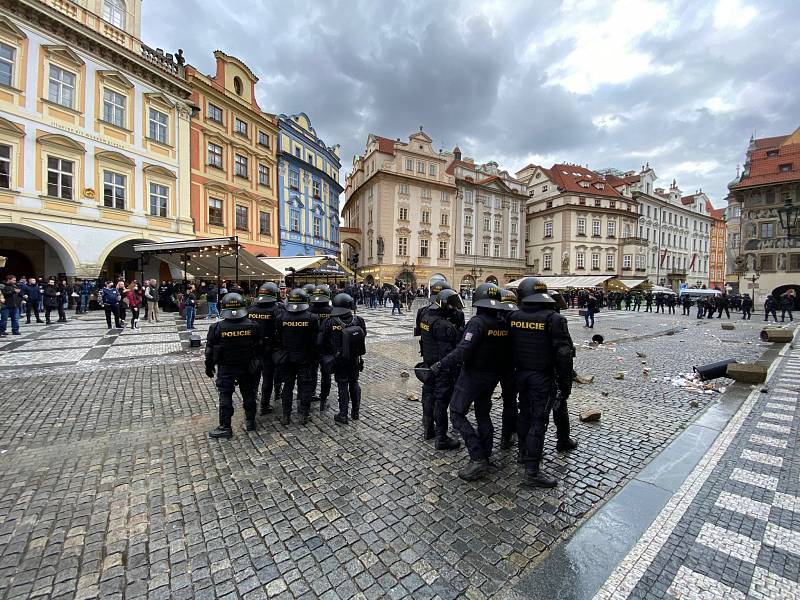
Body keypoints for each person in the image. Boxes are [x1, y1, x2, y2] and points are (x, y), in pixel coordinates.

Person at [436, 283, 516, 481]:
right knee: (482, 413)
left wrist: (441, 364)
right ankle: (486, 455)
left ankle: (477, 456)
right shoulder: (502, 323)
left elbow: (463, 350)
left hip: (473, 375)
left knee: (456, 412)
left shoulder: (477, 323)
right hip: (492, 375)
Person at [509, 277, 574, 487]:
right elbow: (564, 354)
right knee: (539, 421)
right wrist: (565, 385)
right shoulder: (554, 319)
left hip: (520, 375)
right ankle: (532, 472)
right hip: (543, 378)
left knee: (524, 415)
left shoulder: (513, 316)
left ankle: (522, 454)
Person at [206, 293, 260, 437]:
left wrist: (209, 366)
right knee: (249, 393)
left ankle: (225, 427)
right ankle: (250, 421)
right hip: (247, 366)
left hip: (226, 367)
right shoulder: (253, 325)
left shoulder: (216, 327)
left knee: (225, 396)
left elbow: (209, 350)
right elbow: (259, 346)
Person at [419, 289, 463, 451]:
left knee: (429, 397)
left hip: (429, 365)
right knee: (441, 402)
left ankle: (428, 429)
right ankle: (442, 438)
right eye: (451, 306)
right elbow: (448, 353)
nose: (453, 309)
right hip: (441, 369)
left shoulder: (425, 317)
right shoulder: (443, 325)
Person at [321, 293, 367, 424]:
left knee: (342, 384)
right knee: (354, 383)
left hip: (338, 359)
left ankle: (343, 414)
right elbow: (363, 336)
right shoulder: (358, 320)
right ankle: (355, 412)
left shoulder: (329, 321)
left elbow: (322, 341)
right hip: (354, 359)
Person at [275, 288, 319, 426]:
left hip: (287, 357)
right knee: (304, 386)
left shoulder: (281, 317)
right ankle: (303, 415)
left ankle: (286, 416)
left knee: (288, 386)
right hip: (305, 358)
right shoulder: (312, 318)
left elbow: (278, 338)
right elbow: (315, 340)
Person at [248, 282, 283, 415]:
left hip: (253, 349)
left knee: (254, 378)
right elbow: (279, 329)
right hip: (269, 349)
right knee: (268, 378)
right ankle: (264, 405)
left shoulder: (251, 309)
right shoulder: (276, 309)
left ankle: (251, 403)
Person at [309, 285, 334, 411]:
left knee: (312, 372)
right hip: (327, 349)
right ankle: (324, 399)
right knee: (326, 375)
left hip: (312, 347)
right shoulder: (332, 310)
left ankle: (311, 394)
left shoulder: (309, 310)